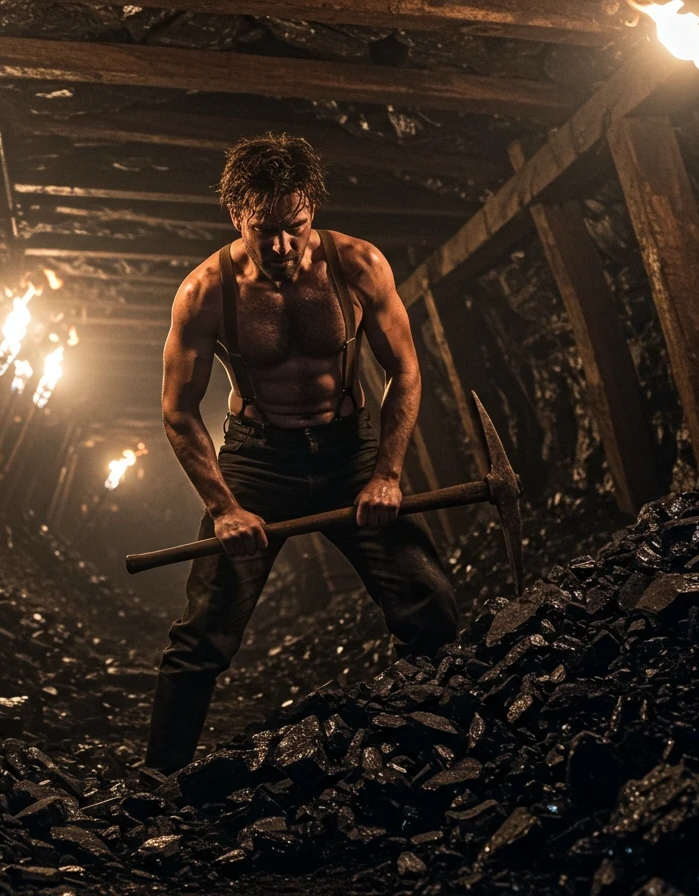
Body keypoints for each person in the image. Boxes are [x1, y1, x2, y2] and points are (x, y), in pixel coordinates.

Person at [147, 133, 460, 773]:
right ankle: (160, 777)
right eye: (265, 231)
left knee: (429, 604)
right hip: (260, 459)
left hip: (350, 451)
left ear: (311, 209)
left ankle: (422, 743)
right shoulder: (204, 291)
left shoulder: (359, 266)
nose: (283, 247)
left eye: (295, 226)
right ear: (238, 217)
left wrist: (387, 474)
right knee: (204, 631)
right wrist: (225, 507)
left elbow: (405, 370)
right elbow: (179, 410)